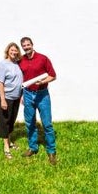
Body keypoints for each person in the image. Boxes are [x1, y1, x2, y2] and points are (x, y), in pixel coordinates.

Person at [18, 36, 57, 165]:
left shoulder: (43, 58)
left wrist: (43, 81)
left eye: (28, 44)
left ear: (32, 44)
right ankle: (33, 148)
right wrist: (22, 95)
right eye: (24, 45)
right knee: (30, 123)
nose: (26, 47)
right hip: (28, 94)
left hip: (42, 95)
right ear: (22, 47)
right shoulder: (21, 60)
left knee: (47, 124)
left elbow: (53, 75)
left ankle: (51, 151)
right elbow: (20, 80)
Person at [0, 42, 23, 159]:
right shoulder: (3, 65)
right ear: (7, 51)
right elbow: (0, 83)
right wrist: (2, 100)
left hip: (16, 97)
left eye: (16, 50)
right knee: (5, 121)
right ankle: (6, 146)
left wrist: (21, 96)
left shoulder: (17, 64)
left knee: (12, 120)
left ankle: (10, 141)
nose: (14, 52)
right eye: (11, 50)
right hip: (5, 97)